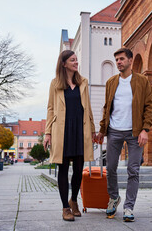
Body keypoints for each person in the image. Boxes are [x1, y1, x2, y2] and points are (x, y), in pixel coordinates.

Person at [96, 48, 152, 222]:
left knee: (133, 170)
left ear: (130, 60)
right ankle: (114, 199)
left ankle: (129, 207)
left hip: (135, 132)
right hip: (114, 131)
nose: (119, 62)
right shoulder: (111, 82)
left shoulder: (142, 81)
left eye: (121, 59)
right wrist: (102, 130)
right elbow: (107, 107)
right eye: (116, 60)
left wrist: (145, 129)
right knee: (111, 168)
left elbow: (150, 107)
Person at [44, 50, 96, 222]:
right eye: (72, 60)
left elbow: (88, 107)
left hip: (80, 129)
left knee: (79, 169)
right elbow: (50, 108)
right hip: (62, 130)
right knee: (63, 169)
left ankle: (73, 200)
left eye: (76, 60)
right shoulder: (55, 84)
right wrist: (47, 132)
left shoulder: (83, 82)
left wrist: (93, 130)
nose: (76, 62)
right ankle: (65, 208)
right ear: (64, 63)